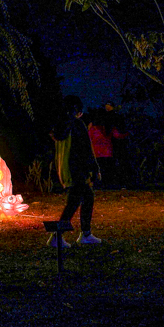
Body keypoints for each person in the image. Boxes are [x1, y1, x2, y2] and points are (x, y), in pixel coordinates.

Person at [50, 95, 102, 247]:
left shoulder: (59, 126)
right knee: (75, 201)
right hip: (77, 169)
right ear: (77, 110)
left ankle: (84, 233)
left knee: (85, 197)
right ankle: (58, 237)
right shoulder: (77, 125)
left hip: (65, 169)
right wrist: (94, 169)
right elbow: (85, 149)